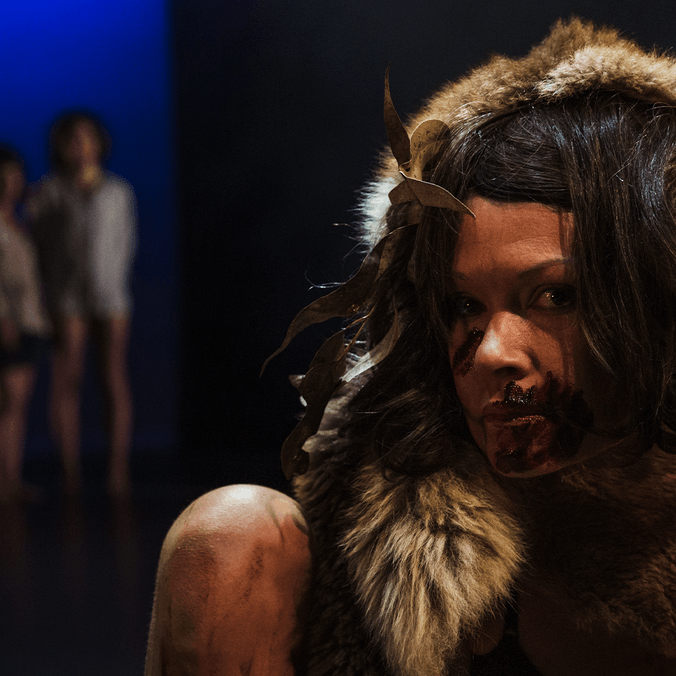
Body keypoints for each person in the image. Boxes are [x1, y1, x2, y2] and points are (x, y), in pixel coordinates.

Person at [145, 18, 676, 675]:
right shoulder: (366, 547)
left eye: (554, 297)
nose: (490, 355)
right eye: (463, 307)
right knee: (228, 538)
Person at [29, 112, 137, 495]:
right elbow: (38, 245)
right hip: (67, 295)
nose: (81, 147)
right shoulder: (50, 192)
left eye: (87, 138)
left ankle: (117, 470)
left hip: (111, 296)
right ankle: (70, 470)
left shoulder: (119, 191)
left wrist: (114, 284)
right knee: (68, 378)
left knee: (113, 378)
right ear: (60, 147)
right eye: (72, 140)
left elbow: (126, 244)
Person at [0, 146, 50, 501]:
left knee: (16, 404)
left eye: (16, 174)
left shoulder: (19, 220)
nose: (13, 182)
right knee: (7, 403)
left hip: (30, 321)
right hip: (9, 322)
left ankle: (11, 479)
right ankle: (6, 481)